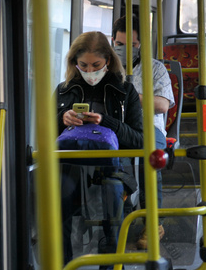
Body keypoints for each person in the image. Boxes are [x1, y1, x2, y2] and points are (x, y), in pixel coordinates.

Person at [56, 31, 144, 267]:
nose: (90, 71)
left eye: (96, 65)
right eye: (83, 65)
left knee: (112, 195)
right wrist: (62, 118)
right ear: (75, 62)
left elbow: (139, 140)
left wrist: (106, 122)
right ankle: (63, 263)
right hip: (70, 166)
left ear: (108, 60)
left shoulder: (124, 91)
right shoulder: (64, 91)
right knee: (57, 199)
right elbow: (47, 137)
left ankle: (112, 263)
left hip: (114, 166)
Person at [112, 15, 175, 249]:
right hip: (115, 126)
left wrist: (128, 97)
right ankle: (117, 219)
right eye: (119, 45)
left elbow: (161, 105)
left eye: (132, 46)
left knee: (151, 159)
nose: (124, 50)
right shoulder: (105, 68)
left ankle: (153, 223)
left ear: (140, 46)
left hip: (149, 126)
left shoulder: (155, 69)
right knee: (112, 161)